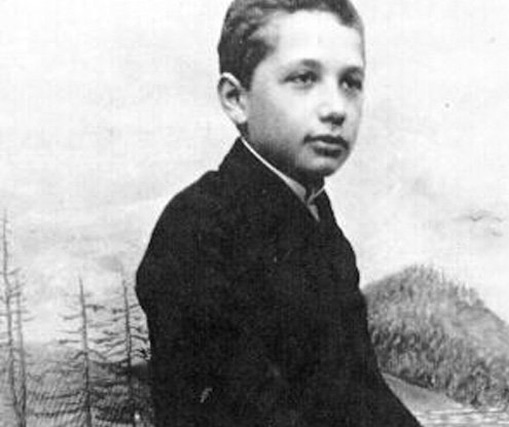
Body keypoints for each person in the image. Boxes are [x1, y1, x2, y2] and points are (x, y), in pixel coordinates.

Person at [136, 0, 422, 425]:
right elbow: (243, 408)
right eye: (304, 78)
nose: (337, 108)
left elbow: (363, 394)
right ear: (236, 99)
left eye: (351, 82)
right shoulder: (199, 227)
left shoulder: (321, 224)